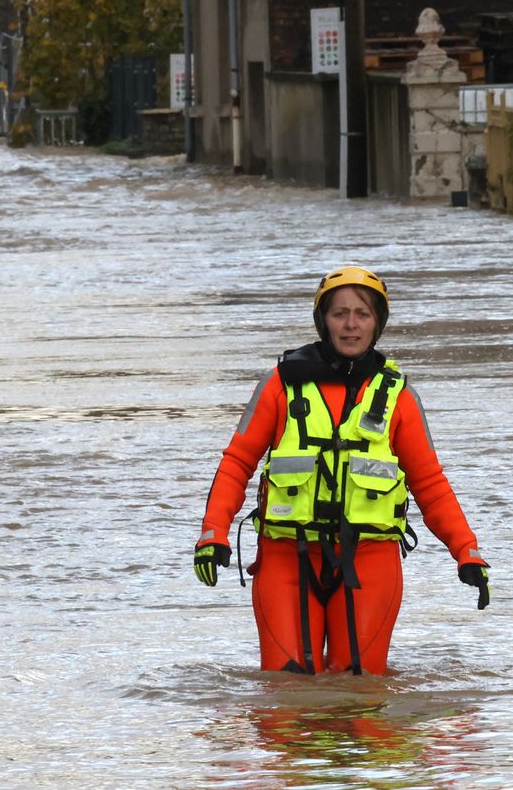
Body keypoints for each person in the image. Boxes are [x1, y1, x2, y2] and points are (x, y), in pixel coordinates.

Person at [194, 266, 490, 675]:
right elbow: (235, 465)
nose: (351, 325)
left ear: (377, 323)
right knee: (286, 698)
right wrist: (213, 534)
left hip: (371, 559)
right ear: (323, 321)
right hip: (286, 558)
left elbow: (430, 484)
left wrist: (466, 551)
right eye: (340, 313)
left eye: (363, 314)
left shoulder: (398, 397)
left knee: (362, 695)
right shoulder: (279, 386)